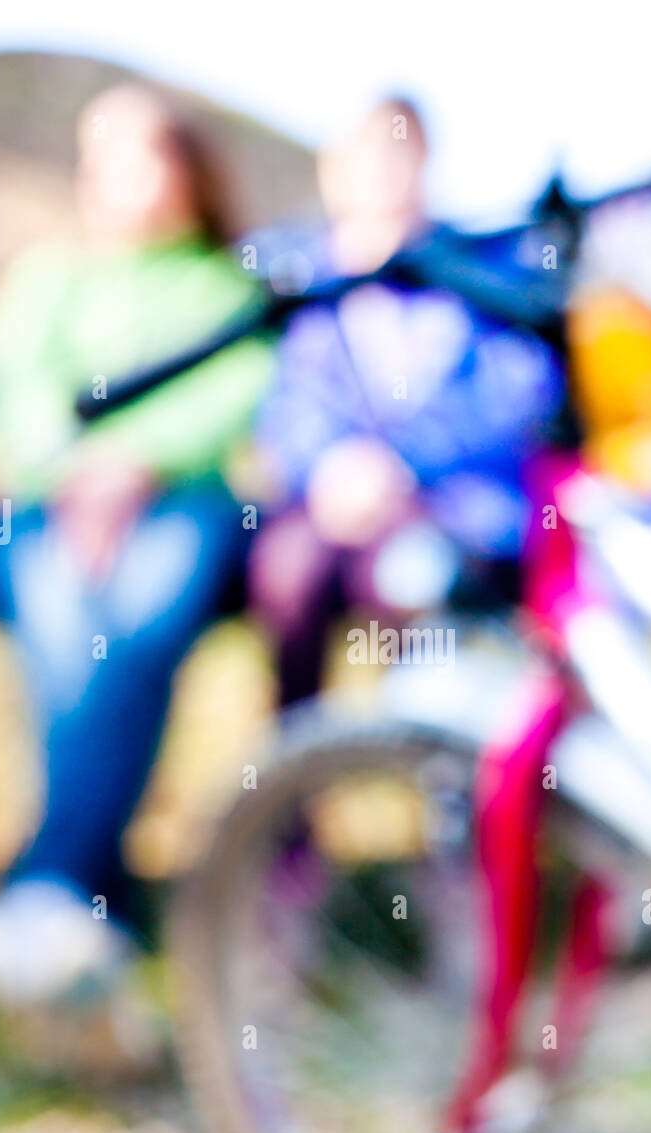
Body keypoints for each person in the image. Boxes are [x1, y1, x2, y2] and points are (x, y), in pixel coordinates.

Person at [0, 85, 273, 1003]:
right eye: (98, 155)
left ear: (186, 169)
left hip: (182, 506)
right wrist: (74, 473)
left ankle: (53, 884)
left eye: (136, 153)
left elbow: (233, 391)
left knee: (134, 617)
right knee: (66, 615)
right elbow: (16, 389)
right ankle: (77, 888)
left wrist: (133, 465)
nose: (112, 176)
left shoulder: (227, 285)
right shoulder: (53, 275)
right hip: (48, 507)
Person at [251, 98, 568, 705]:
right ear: (332, 172)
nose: (381, 175)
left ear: (425, 164)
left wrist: (398, 467)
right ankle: (293, 773)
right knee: (288, 575)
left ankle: (430, 768)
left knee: (412, 579)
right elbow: (285, 402)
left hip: (452, 507)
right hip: (329, 508)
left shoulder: (478, 271)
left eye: (398, 157)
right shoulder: (303, 282)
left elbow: (517, 395)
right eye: (364, 159)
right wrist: (330, 467)